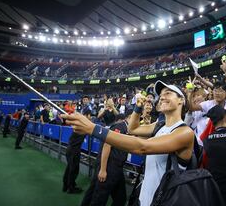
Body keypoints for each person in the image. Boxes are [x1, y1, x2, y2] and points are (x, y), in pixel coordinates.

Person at [61, 80, 194, 206]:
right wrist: (137, 108)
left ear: (181, 100)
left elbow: (142, 147)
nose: (162, 97)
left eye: (168, 93)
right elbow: (132, 128)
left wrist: (93, 129)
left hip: (165, 201)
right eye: (161, 94)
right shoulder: (159, 126)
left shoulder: (185, 133)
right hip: (144, 198)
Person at [81, 112, 131, 206]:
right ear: (129, 117)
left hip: (116, 167)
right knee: (99, 197)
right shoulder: (120, 127)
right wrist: (103, 169)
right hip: (110, 166)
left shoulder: (126, 128)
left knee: (120, 197)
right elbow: (107, 145)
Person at [63, 108, 91, 194]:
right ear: (86, 115)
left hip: (71, 149)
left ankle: (66, 185)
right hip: (74, 150)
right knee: (73, 170)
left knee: (69, 168)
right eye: (90, 115)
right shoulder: (83, 124)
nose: (90, 117)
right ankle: (71, 188)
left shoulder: (80, 123)